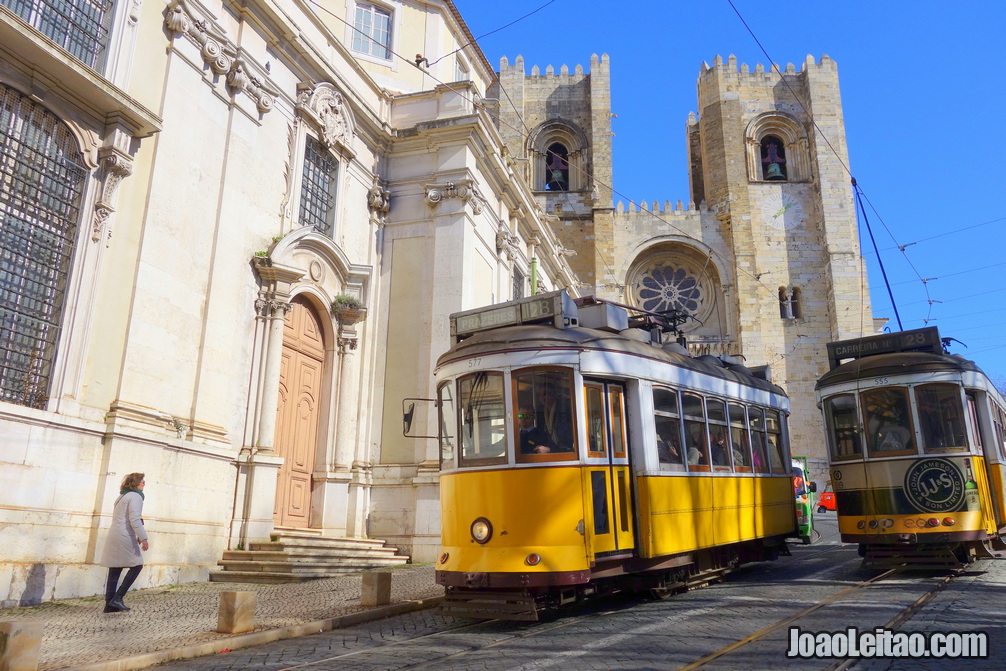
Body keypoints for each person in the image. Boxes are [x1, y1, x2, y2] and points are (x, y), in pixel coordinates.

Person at [100, 472, 149, 613]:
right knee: (137, 565)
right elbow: (134, 519)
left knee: (115, 569)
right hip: (124, 536)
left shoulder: (122, 496)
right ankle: (117, 598)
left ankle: (109, 604)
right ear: (136, 483)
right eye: (142, 482)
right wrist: (143, 538)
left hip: (114, 534)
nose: (144, 484)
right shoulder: (135, 496)